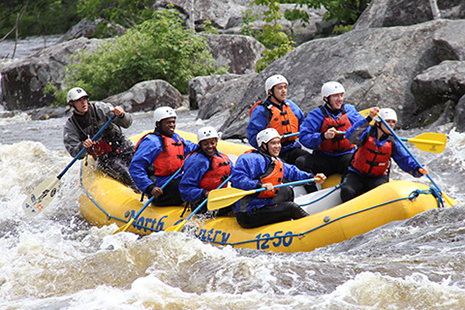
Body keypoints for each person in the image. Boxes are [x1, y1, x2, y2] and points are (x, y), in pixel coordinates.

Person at [231, 128, 326, 229]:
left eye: (278, 143)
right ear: (263, 145)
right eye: (273, 143)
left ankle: (285, 223)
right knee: (291, 208)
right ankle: (314, 226)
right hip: (249, 213)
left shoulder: (275, 161)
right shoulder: (249, 159)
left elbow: (293, 172)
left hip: (264, 204)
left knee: (286, 191)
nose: (277, 146)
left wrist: (312, 177)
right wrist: (259, 185)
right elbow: (238, 179)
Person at [340, 107, 429, 202]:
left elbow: (405, 159)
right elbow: (350, 135)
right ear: (378, 123)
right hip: (357, 174)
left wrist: (418, 168)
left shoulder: (394, 142)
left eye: (393, 122)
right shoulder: (366, 133)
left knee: (381, 197)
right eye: (388, 121)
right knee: (346, 191)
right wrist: (369, 118)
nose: (391, 124)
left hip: (377, 177)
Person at [63, 87, 136, 188]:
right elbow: (75, 153)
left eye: (84, 99)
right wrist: (83, 146)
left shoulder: (100, 108)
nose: (83, 102)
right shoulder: (71, 126)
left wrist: (121, 115)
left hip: (122, 145)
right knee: (126, 174)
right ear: (72, 104)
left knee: (144, 164)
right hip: (106, 158)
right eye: (79, 101)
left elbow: (128, 123)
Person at [129, 106, 198, 206]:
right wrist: (150, 188)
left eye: (173, 122)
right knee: (185, 186)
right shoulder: (151, 142)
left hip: (176, 181)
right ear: (158, 124)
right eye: (168, 122)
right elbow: (135, 168)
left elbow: (190, 147)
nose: (172, 125)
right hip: (160, 190)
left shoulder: (175, 138)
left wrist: (206, 146)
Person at [296, 81, 366, 177]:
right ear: (326, 98)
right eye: (335, 96)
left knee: (359, 160)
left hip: (345, 155)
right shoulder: (316, 115)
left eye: (341, 95)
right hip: (324, 158)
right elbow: (304, 137)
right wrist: (323, 136)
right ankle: (313, 189)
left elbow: (364, 129)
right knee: (301, 162)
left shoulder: (349, 110)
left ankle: (348, 185)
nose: (340, 99)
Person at [247, 74, 309, 166]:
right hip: (273, 152)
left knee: (307, 160)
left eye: (285, 87)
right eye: (279, 88)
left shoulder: (291, 106)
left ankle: (312, 178)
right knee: (281, 166)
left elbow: (303, 127)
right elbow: (253, 137)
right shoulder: (261, 111)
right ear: (270, 91)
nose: (284, 91)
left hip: (292, 148)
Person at [179, 126, 233, 215]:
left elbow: (235, 176)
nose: (210, 146)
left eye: (213, 143)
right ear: (200, 144)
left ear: (216, 142)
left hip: (218, 199)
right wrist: (204, 193)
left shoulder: (223, 157)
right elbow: (185, 190)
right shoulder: (197, 161)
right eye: (205, 144)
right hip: (201, 205)